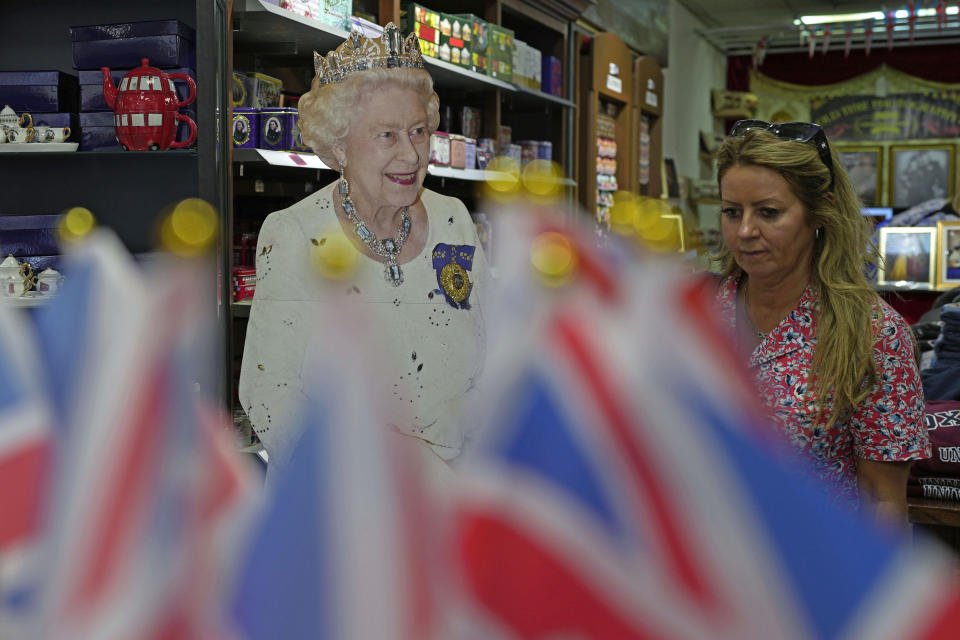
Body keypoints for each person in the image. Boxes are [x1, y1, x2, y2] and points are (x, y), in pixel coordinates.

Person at [238, 23, 486, 479]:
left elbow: (495, 358)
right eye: (386, 135)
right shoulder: (294, 234)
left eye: (418, 131)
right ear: (339, 145)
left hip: (457, 495)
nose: (411, 156)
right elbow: (268, 391)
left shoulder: (454, 222)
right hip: (343, 506)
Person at [713, 120, 930, 524]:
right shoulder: (696, 313)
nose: (744, 231)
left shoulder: (871, 334)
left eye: (768, 212)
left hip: (812, 574)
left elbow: (883, 502)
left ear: (819, 213)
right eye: (731, 211)